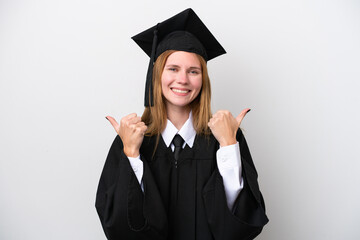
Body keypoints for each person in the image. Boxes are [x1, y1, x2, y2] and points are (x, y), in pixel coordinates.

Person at [95, 8, 268, 240]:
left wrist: (228, 146)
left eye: (193, 71)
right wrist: (131, 155)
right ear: (157, 76)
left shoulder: (224, 138)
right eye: (173, 69)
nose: (183, 79)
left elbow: (242, 225)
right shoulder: (131, 139)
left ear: (203, 80)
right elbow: (118, 226)